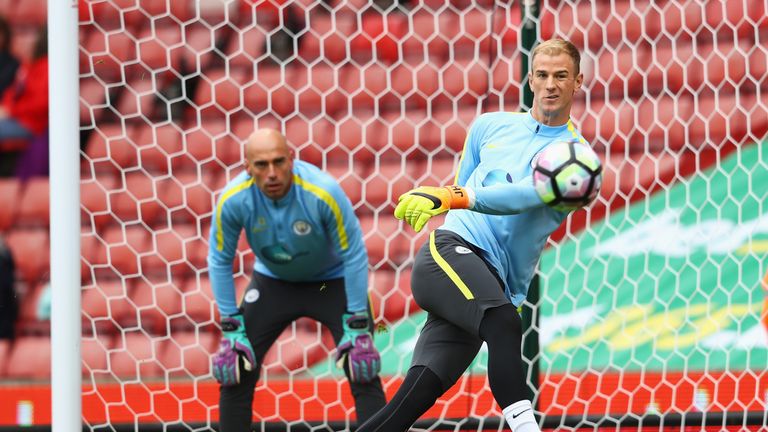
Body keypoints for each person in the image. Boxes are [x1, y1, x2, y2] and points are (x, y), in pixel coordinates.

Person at [357, 38, 591, 432]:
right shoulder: (489, 125)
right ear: (530, 79)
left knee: (410, 402)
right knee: (502, 323)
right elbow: (461, 196)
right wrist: (455, 198)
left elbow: (520, 196)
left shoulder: (578, 160)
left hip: (492, 284)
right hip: (450, 253)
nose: (551, 84)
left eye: (561, 76)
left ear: (578, 82)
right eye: (543, 75)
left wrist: (454, 196)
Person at [208, 128, 386, 431]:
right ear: (247, 167)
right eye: (262, 165)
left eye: (279, 161)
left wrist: (357, 320)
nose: (272, 173)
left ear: (292, 158)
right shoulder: (233, 200)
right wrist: (230, 326)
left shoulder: (322, 192)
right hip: (273, 283)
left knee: (362, 367)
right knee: (236, 369)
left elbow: (354, 254)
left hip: (330, 283)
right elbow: (219, 259)